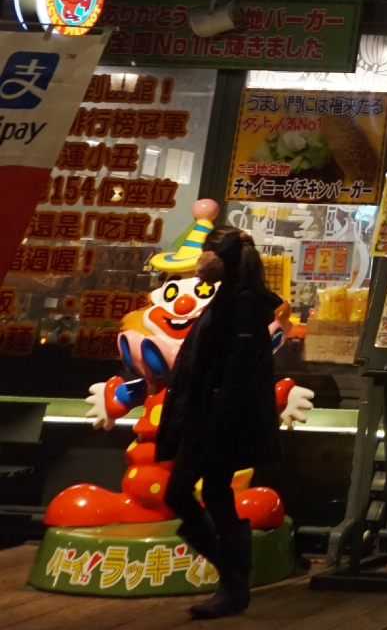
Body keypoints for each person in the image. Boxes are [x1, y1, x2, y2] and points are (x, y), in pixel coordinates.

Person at [156, 228, 284, 619]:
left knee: (182, 492)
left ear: (217, 261)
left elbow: (235, 373)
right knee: (214, 493)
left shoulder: (241, 305)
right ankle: (233, 582)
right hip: (213, 416)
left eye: (204, 255)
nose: (198, 264)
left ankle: (233, 579)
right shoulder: (233, 300)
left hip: (218, 420)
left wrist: (209, 419)